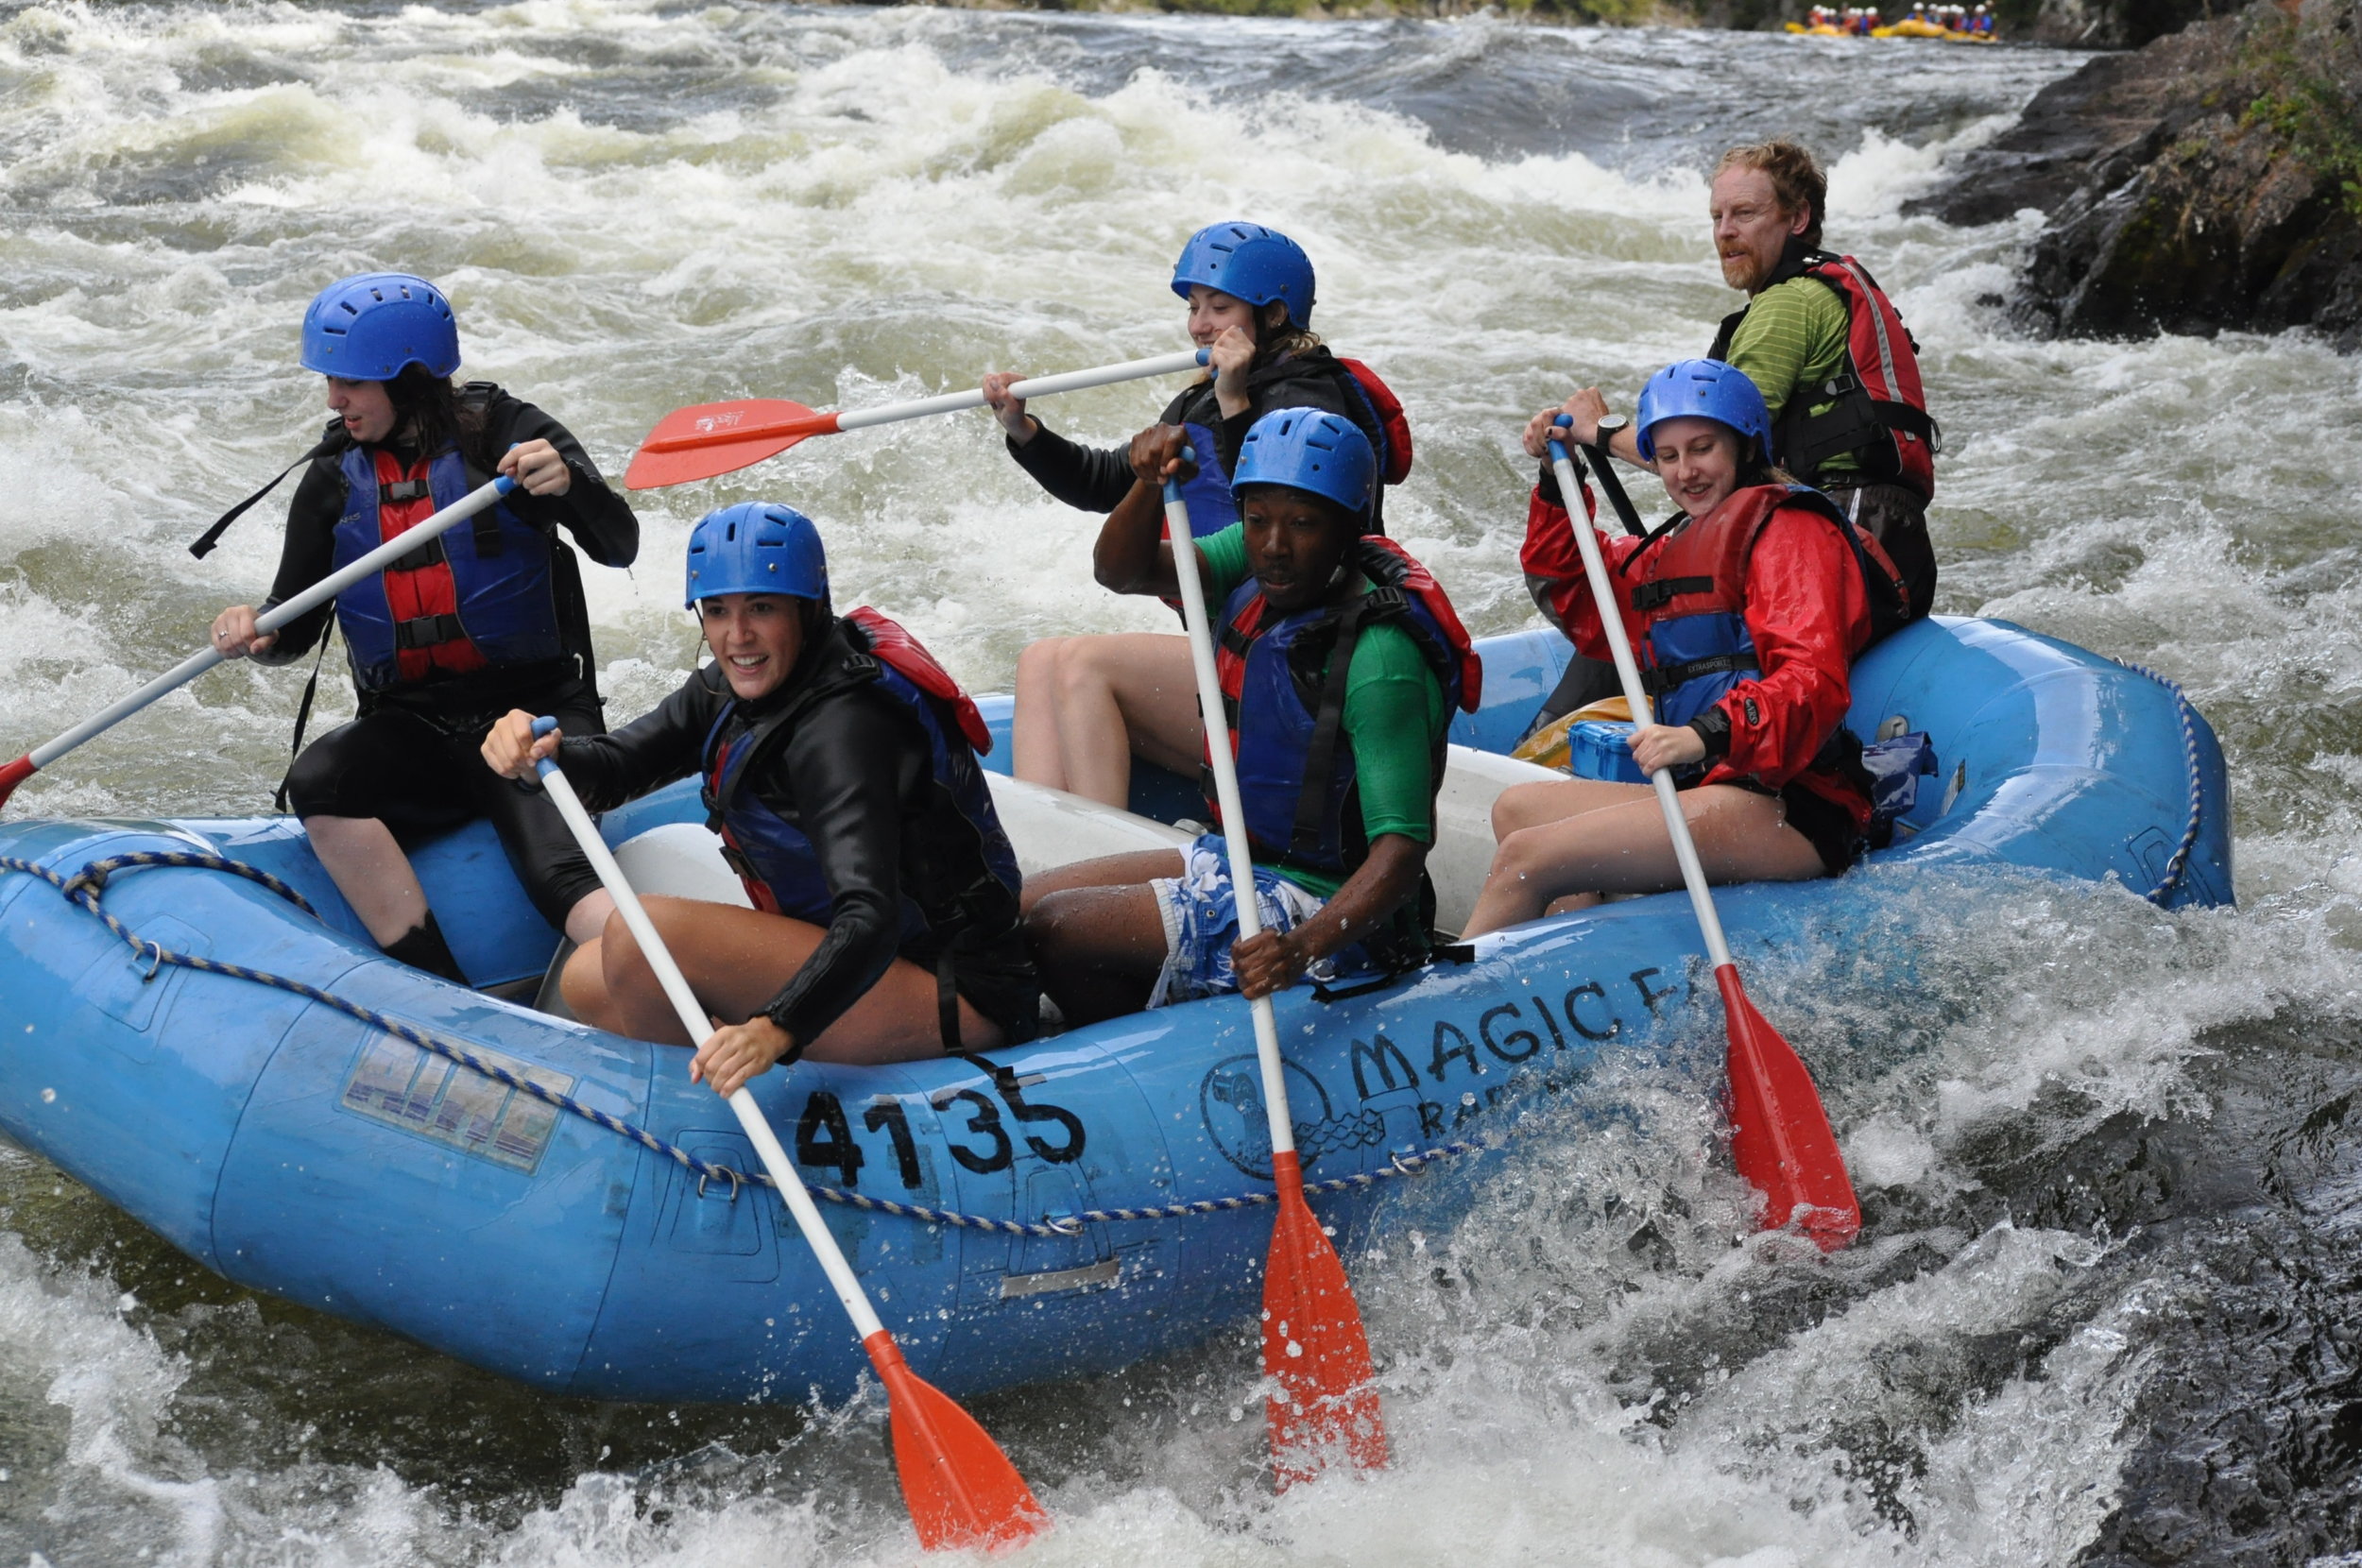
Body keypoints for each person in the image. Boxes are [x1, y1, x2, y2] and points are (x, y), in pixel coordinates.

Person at [481, 503, 1036, 1087]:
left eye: (761, 609)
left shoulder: (843, 728)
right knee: (589, 975)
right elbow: (618, 769)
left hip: (952, 992)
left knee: (642, 934)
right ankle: (706, 1073)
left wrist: (776, 1027)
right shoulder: (736, 686)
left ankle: (698, 1112)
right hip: (860, 961)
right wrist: (542, 752)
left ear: (807, 607)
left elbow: (869, 917)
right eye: (717, 611)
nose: (736, 636)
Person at [209, 272, 638, 983]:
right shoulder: (334, 477)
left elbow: (618, 544)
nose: (332, 400)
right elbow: (294, 623)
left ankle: (658, 975)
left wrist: (572, 485)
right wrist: (256, 632)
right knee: (319, 779)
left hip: (531, 716)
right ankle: (439, 992)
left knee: (556, 874)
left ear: (407, 378)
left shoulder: (513, 435)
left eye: (349, 382)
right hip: (415, 731)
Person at [1020, 408, 1477, 1026]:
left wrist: (1300, 949)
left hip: (1327, 912)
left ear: (1349, 527)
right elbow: (1119, 571)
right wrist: (1149, 484)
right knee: (1024, 905)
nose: (1274, 547)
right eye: (1257, 521)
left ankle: (1154, 1054)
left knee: (1057, 929)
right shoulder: (1255, 553)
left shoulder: (1380, 660)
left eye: (1303, 525)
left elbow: (1399, 856)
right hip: (1239, 856)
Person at [1463, 360, 1908, 938]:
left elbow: (1810, 681)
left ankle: (1444, 1000)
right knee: (1516, 811)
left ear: (1746, 446)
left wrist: (1705, 732)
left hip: (1791, 802)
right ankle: (1577, 955)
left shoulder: (1791, 530)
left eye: (1702, 448)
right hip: (1712, 786)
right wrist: (1556, 485)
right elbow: (1581, 595)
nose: (1686, 472)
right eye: (1668, 457)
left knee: (1527, 859)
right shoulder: (1678, 549)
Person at [981, 222, 1412, 810]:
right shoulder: (1201, 397)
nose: (1199, 324)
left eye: (1219, 306)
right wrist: (1023, 429)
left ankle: (1101, 864)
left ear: (1276, 315)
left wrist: (1237, 400)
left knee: (1081, 665)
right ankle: (1051, 858)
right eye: (1194, 307)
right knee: (1039, 662)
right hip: (1240, 647)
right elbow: (1110, 482)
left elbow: (1272, 507)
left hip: (1306, 664)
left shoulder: (1315, 402)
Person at [1530, 139, 1940, 738]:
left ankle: (1545, 764)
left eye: (1745, 214)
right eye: (1717, 217)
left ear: (1796, 219)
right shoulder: (1821, 290)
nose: (1725, 232)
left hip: (1848, 538)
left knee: (1652, 617)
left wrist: (1599, 429)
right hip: (1885, 542)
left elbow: (1715, 439)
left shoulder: (1788, 306)